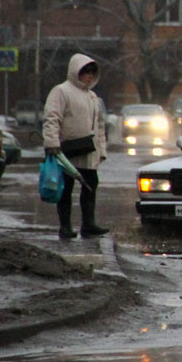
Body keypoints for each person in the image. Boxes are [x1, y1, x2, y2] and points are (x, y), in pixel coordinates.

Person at [42, 53, 109, 239]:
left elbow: (100, 126)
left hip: (89, 151)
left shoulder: (93, 96)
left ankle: (88, 224)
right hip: (67, 151)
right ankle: (65, 226)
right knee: (65, 189)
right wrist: (52, 143)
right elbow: (52, 118)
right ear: (75, 71)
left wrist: (101, 151)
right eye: (85, 71)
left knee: (90, 186)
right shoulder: (61, 91)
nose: (89, 75)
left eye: (92, 72)